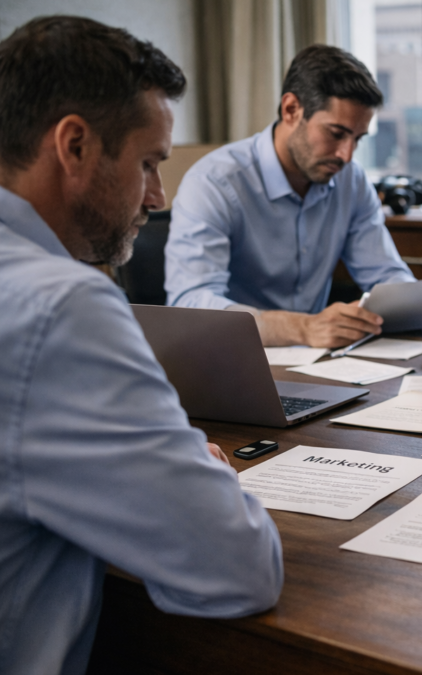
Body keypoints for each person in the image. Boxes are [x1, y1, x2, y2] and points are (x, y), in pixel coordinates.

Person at [0, 17, 282, 674]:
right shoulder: (61, 306)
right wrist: (197, 469)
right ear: (74, 145)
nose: (157, 196)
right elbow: (241, 570)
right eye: (150, 163)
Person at [165, 44, 414, 348]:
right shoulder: (213, 182)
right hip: (233, 355)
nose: (346, 155)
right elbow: (190, 304)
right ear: (291, 110)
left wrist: (420, 307)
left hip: (317, 360)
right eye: (336, 133)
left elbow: (386, 275)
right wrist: (302, 327)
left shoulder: (351, 181)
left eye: (357, 139)